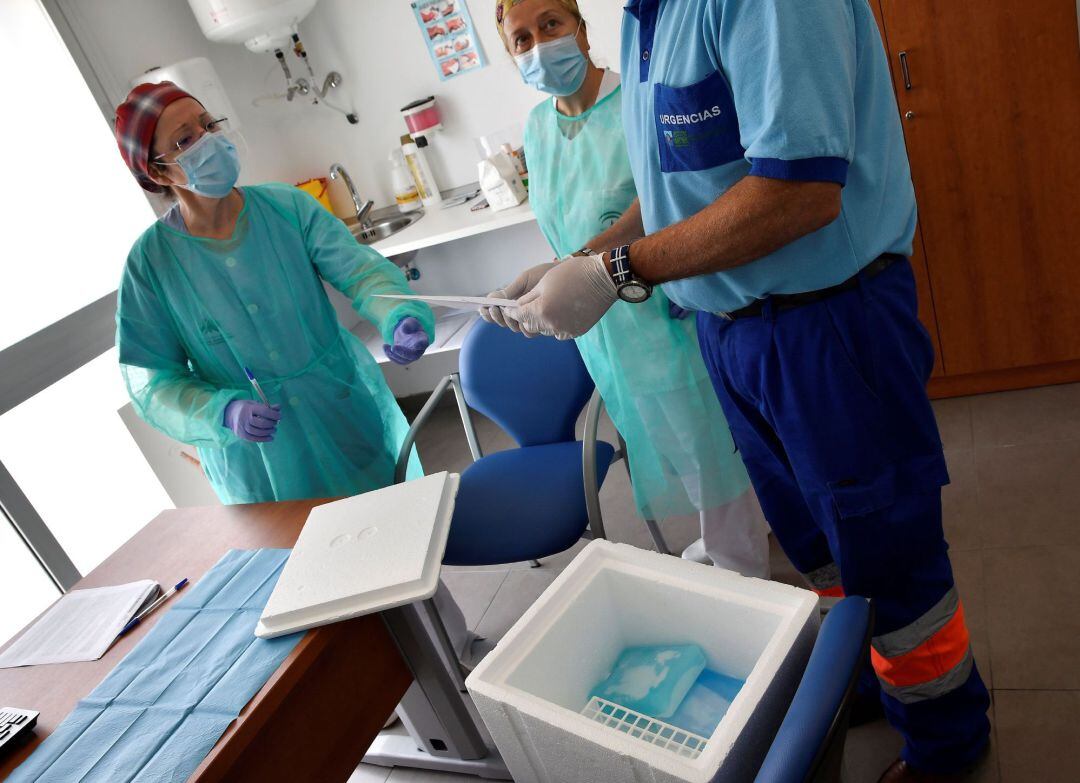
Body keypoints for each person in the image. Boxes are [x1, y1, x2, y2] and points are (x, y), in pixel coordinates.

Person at [485, 0, 990, 780]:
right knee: (814, 543)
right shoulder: (652, 17)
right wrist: (581, 257)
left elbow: (799, 192)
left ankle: (947, 741)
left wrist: (617, 272)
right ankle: (855, 676)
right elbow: (679, 189)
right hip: (731, 329)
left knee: (887, 551)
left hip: (828, 325)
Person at [490, 0, 769, 577]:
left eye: (551, 24)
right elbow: (570, 222)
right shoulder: (540, 129)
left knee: (708, 443)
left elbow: (665, 199)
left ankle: (744, 567)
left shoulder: (637, 102)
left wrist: (581, 262)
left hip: (663, 305)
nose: (540, 45)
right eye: (521, 39)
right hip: (605, 330)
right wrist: (549, 272)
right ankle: (721, 539)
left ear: (581, 29)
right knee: (666, 440)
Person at [113, 81, 434, 505]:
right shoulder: (150, 263)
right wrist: (220, 412)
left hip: (338, 411)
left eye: (209, 124)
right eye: (186, 139)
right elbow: (155, 382)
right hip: (256, 457)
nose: (208, 140)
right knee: (297, 558)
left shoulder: (288, 208)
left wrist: (398, 315)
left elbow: (360, 274)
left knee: (393, 533)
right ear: (158, 171)